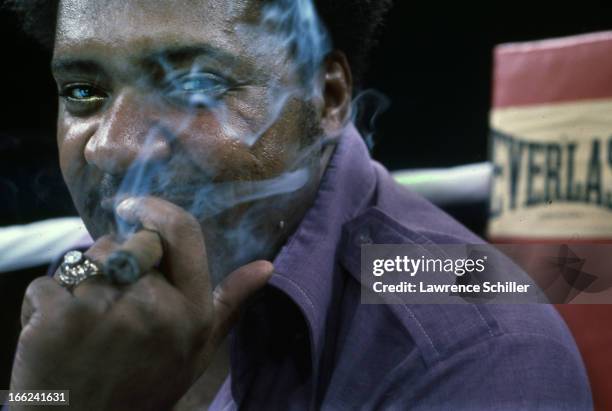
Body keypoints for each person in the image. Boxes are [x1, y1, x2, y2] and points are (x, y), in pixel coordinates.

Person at [5, 0, 592, 409]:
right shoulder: (93, 275)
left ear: (328, 96)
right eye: (83, 92)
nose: (112, 146)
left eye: (197, 87)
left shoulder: (477, 344)